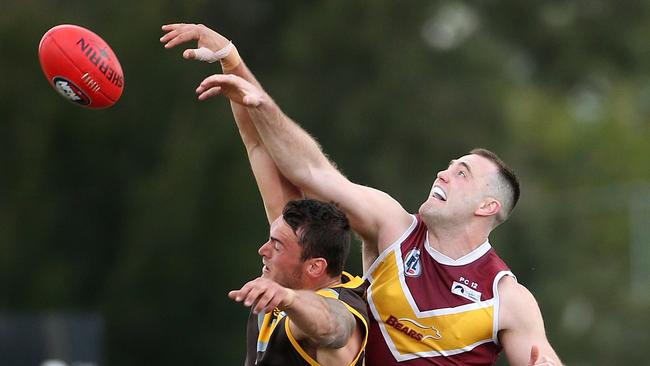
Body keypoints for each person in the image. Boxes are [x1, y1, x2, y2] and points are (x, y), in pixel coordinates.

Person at [161, 23, 561, 366]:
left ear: (487, 206)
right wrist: (237, 66)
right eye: (449, 165)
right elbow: (309, 170)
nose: (443, 173)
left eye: (462, 173)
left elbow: (541, 357)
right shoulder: (393, 228)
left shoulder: (506, 297)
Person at [161, 25, 369, 366]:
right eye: (272, 239)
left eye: (277, 245)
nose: (263, 248)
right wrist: (231, 61)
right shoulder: (296, 255)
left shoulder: (342, 305)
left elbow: (334, 326)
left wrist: (288, 298)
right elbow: (259, 142)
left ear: (316, 266)